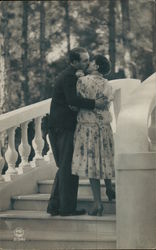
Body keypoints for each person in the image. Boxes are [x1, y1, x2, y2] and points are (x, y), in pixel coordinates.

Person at [47, 48, 107, 216]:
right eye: (84, 61)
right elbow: (72, 100)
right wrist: (95, 103)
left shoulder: (72, 75)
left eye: (88, 60)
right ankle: (66, 208)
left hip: (61, 126)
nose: (88, 63)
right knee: (68, 167)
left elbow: (73, 101)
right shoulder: (69, 77)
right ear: (73, 62)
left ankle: (55, 206)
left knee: (65, 166)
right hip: (63, 127)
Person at [72, 55, 115, 216]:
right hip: (104, 128)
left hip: (88, 128)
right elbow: (106, 104)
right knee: (104, 159)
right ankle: (109, 188)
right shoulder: (108, 84)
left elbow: (76, 104)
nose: (88, 64)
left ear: (96, 66)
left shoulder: (83, 82)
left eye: (90, 62)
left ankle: (97, 203)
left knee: (92, 164)